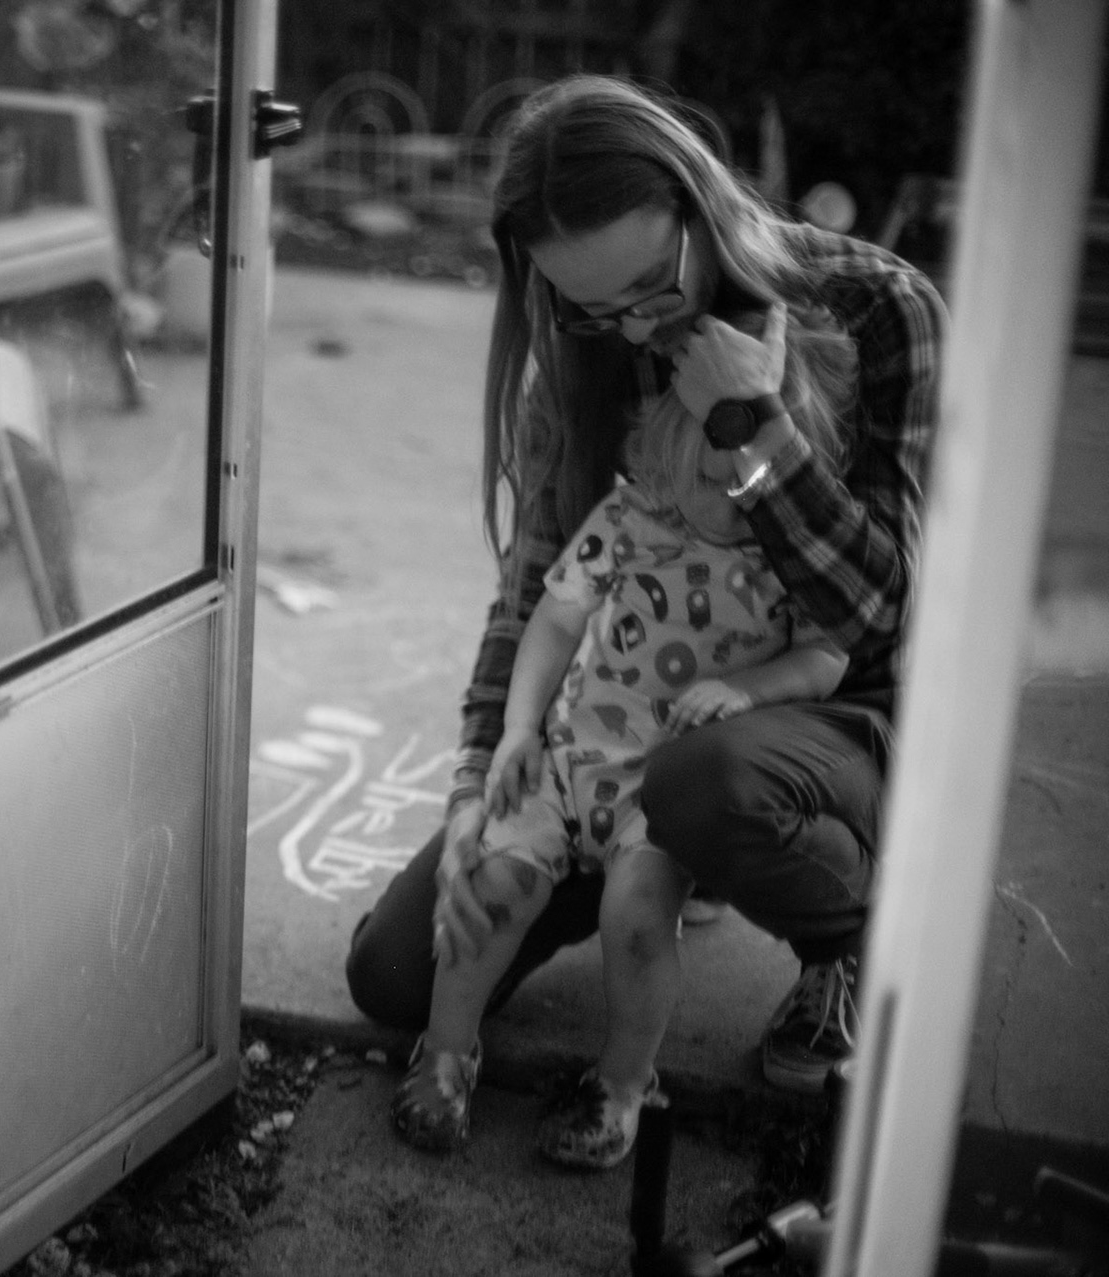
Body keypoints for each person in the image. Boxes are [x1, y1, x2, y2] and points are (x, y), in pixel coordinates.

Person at [346, 74, 945, 1100]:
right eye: (592, 311)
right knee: (396, 973)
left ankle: (845, 934)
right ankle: (675, 866)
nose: (634, 335)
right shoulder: (587, 342)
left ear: (705, 209)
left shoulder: (881, 307)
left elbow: (884, 616)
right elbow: (536, 588)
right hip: (617, 746)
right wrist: (473, 789)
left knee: (707, 783)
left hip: (825, 720)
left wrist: (755, 429)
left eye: (651, 295)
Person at [393, 403, 849, 1166]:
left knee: (638, 920)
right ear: (667, 458)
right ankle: (443, 1054)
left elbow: (826, 660)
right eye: (712, 477)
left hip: (661, 793)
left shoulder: (790, 550)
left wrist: (751, 687)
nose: (738, 494)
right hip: (566, 764)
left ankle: (622, 1085)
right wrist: (517, 730)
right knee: (494, 884)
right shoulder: (633, 514)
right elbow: (556, 620)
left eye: (758, 477)